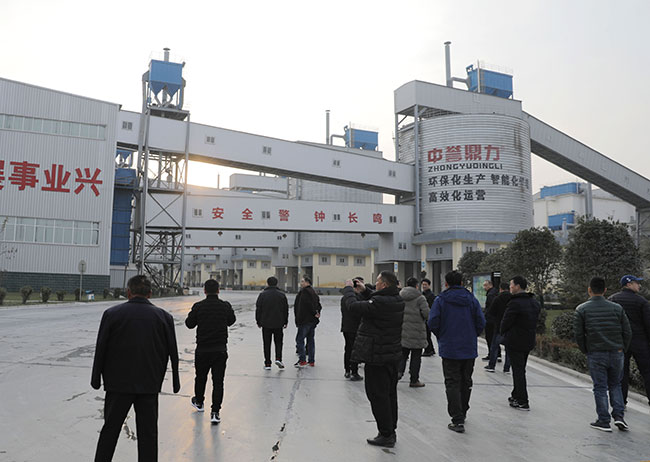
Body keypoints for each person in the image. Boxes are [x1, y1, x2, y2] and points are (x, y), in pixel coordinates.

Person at [91, 275, 180, 462]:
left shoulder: (112, 314)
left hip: (117, 385)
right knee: (148, 434)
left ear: (128, 292)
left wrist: (96, 379)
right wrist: (175, 382)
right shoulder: (164, 318)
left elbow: (101, 348)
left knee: (110, 430)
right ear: (150, 294)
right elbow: (173, 351)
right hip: (149, 384)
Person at [341, 271, 404, 448]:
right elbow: (378, 301)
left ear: (384, 284)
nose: (375, 284)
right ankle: (390, 429)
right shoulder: (397, 299)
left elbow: (353, 307)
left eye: (377, 282)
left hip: (377, 356)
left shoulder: (380, 303)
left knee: (377, 395)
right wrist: (365, 290)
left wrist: (348, 290)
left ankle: (385, 434)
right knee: (390, 394)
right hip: (391, 355)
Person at [428, 270, 485, 433]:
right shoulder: (471, 299)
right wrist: (471, 334)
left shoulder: (441, 300)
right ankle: (463, 411)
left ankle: (457, 418)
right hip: (468, 347)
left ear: (446, 284)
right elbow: (481, 321)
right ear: (461, 283)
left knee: (452, 382)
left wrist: (442, 335)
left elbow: (432, 322)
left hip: (449, 348)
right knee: (466, 381)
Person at [575, 276, 632, 431]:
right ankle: (619, 417)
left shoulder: (582, 309)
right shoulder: (617, 308)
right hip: (616, 352)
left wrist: (585, 349)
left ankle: (604, 420)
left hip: (596, 352)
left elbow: (579, 334)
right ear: (605, 290)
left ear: (589, 290)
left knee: (600, 387)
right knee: (616, 384)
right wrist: (622, 348)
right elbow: (627, 331)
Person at [185, 279, 236, 424]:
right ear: (218, 290)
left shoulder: (199, 306)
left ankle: (199, 402)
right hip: (220, 349)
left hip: (203, 349)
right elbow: (231, 321)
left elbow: (189, 324)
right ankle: (215, 412)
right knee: (218, 381)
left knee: (200, 377)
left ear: (205, 291)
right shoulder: (225, 306)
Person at [608, 274, 650, 406]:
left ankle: (621, 402)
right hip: (640, 341)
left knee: (621, 373)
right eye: (637, 283)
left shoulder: (612, 299)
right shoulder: (642, 301)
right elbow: (648, 324)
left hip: (620, 342)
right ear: (629, 284)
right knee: (647, 372)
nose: (639, 285)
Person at [500, 276, 541, 411]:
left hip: (515, 341)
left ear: (517, 286)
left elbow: (506, 321)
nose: (510, 287)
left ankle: (523, 401)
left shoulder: (514, 303)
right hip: (528, 340)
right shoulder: (534, 302)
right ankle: (516, 395)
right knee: (520, 368)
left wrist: (502, 332)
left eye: (511, 285)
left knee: (518, 371)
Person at [398, 277, 430, 387]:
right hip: (417, 332)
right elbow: (426, 314)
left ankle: (398, 373)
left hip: (403, 330)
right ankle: (414, 380)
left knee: (403, 355)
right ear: (417, 286)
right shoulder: (420, 298)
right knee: (416, 357)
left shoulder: (400, 296)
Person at [256, 276, 289, 370]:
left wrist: (258, 321)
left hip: (266, 323)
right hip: (279, 323)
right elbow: (285, 309)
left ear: (268, 283)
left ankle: (267, 363)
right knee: (278, 342)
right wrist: (285, 321)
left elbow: (258, 309)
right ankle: (278, 359)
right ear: (276, 283)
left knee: (267, 343)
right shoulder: (282, 295)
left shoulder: (262, 295)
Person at [340, 278, 365, 381]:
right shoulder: (356, 298)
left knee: (348, 349)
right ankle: (354, 371)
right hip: (355, 327)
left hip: (346, 327)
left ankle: (347, 370)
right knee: (355, 350)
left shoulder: (344, 298)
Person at [484, 282, 512, 373]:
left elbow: (491, 312)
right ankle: (507, 368)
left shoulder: (497, 298)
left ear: (500, 289)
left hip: (499, 325)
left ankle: (492, 365)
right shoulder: (513, 299)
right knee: (508, 348)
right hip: (510, 327)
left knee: (494, 346)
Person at [294, 276, 321, 367]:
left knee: (299, 340)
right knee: (310, 340)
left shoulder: (304, 292)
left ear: (307, 282)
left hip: (304, 320)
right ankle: (311, 361)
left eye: (302, 281)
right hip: (312, 321)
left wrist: (314, 312)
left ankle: (302, 360)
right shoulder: (313, 292)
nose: (301, 283)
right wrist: (317, 313)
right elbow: (318, 304)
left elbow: (306, 305)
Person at [482, 279, 499, 361]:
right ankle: (497, 354)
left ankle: (492, 354)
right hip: (495, 319)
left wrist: (486, 315)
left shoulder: (490, 295)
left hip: (490, 319)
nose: (484, 287)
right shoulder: (495, 292)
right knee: (494, 337)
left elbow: (490, 307)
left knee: (490, 337)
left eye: (485, 285)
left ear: (490, 285)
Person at [421, 278, 437, 356]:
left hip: (428, 317)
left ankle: (428, 350)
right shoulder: (422, 294)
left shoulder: (431, 295)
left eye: (425, 285)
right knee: (426, 335)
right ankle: (430, 349)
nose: (424, 286)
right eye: (423, 284)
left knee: (427, 334)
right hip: (424, 317)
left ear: (429, 285)